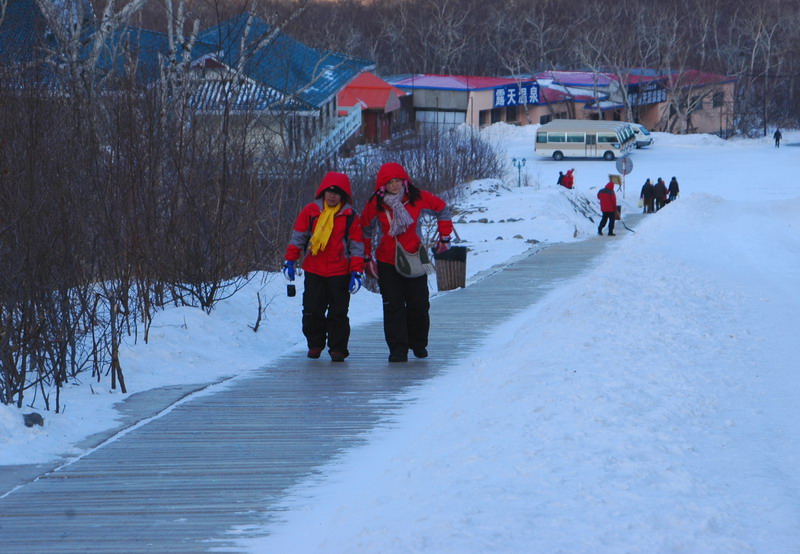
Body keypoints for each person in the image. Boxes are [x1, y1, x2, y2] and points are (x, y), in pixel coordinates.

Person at [360, 162, 453, 363]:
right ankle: (398, 350)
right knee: (393, 306)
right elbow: (364, 230)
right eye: (390, 182)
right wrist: (366, 257)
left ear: (405, 181)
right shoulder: (375, 204)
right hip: (387, 260)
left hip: (415, 257)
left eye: (398, 181)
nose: (394, 185)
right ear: (382, 185)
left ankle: (419, 344)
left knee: (419, 304)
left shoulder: (417, 198)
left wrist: (444, 237)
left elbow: (442, 209)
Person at [283, 172, 364, 362]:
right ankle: (315, 344)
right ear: (323, 192)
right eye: (329, 191)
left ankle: (338, 348)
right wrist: (290, 261)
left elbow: (356, 246)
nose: (333, 195)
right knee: (312, 310)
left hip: (340, 271)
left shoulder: (350, 216)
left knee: (338, 313)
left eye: (337, 192)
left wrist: (357, 272)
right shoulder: (311, 211)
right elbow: (298, 237)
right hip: (314, 269)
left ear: (344, 195)